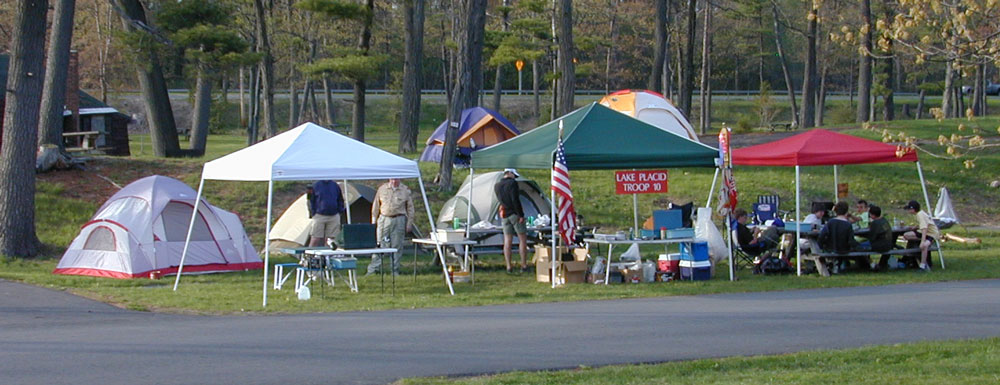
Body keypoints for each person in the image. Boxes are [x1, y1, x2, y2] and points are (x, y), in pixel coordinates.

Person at [368, 179, 414, 276]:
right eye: (392, 178)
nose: (394, 181)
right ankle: (374, 269)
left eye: (396, 178)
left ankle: (395, 270)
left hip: (399, 219)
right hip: (384, 219)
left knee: (397, 245)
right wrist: (373, 221)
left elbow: (410, 208)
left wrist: (409, 223)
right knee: (379, 244)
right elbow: (376, 206)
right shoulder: (382, 189)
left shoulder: (405, 190)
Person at [494, 168, 527, 273]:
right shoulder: (513, 184)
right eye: (514, 175)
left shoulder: (497, 186)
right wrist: (520, 215)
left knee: (507, 240)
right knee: (522, 239)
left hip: (504, 215)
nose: (515, 177)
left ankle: (508, 266)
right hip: (514, 214)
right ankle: (524, 265)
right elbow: (515, 199)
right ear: (509, 173)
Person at [817, 201, 859, 274]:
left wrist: (821, 246)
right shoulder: (848, 224)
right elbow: (851, 240)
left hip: (831, 248)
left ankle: (834, 265)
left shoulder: (830, 222)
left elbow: (822, 236)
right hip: (844, 249)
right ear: (846, 211)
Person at [902, 200, 939, 272]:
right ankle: (918, 243)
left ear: (913, 209)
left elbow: (924, 228)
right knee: (906, 235)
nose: (908, 211)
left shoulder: (920, 215)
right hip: (922, 232)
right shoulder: (919, 214)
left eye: (909, 209)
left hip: (931, 234)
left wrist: (922, 241)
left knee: (924, 246)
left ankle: (922, 265)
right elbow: (923, 224)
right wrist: (915, 227)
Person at [307, 180, 346, 247]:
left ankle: (328, 256)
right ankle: (309, 255)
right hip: (319, 215)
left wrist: (340, 211)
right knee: (315, 238)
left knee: (331, 240)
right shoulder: (315, 185)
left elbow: (340, 199)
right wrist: (313, 213)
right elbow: (309, 200)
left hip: (334, 216)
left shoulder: (335, 185)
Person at [862, 206, 894, 271]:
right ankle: (876, 264)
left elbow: (872, 238)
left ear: (873, 215)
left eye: (870, 214)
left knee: (859, 246)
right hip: (888, 244)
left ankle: (871, 264)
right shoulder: (884, 220)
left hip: (880, 245)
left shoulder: (875, 223)